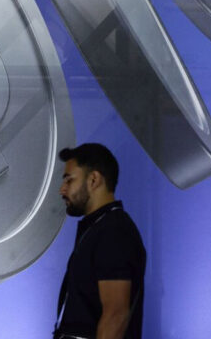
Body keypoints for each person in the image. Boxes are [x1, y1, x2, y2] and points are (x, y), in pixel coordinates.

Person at [54, 143, 146, 339]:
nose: (62, 190)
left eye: (69, 180)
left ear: (94, 180)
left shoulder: (114, 231)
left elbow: (116, 315)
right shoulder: (99, 228)